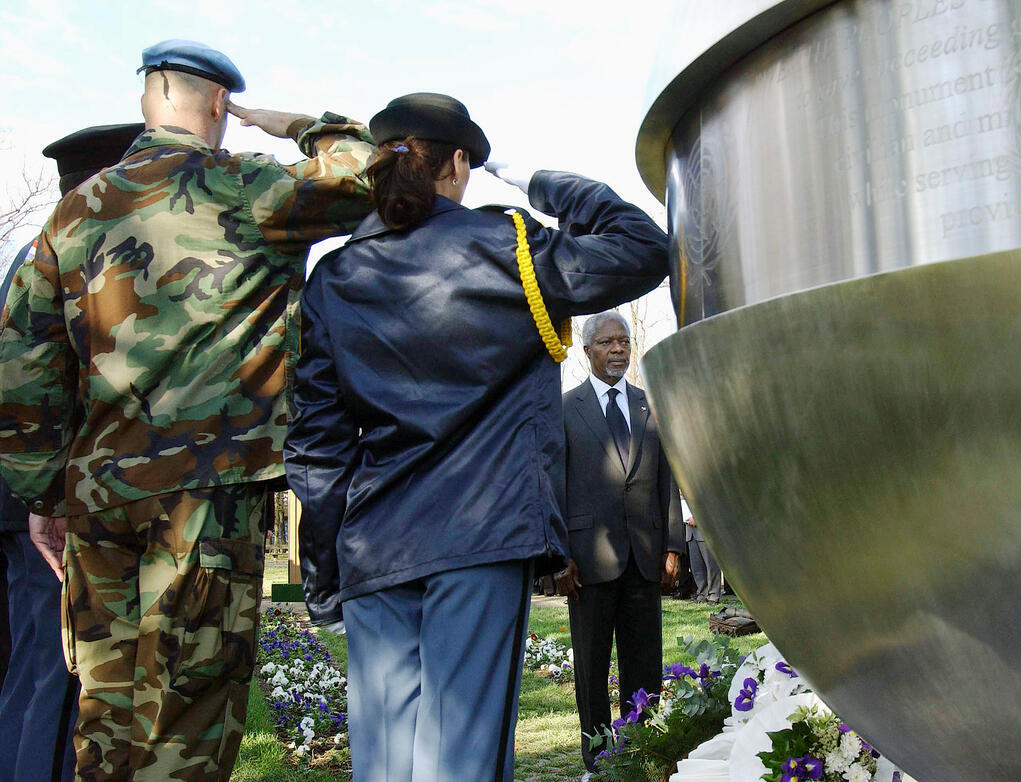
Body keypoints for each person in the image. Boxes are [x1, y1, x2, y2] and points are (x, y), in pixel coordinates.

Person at [0, 39, 375, 781]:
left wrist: (43, 491)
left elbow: (23, 363)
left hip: (98, 499)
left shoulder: (73, 213)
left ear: (148, 98)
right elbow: (366, 168)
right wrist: (294, 124)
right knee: (189, 713)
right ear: (219, 102)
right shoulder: (247, 186)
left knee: (106, 715)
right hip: (207, 495)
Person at [284, 92, 670, 782]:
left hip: (374, 545)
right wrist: (538, 181)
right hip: (479, 534)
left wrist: (323, 578)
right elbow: (643, 246)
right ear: (459, 163)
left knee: (385, 769)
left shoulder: (335, 278)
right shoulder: (509, 249)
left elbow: (318, 448)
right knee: (459, 764)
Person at [0, 122, 144, 782]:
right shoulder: (80, 258)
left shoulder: (35, 252)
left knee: (33, 669)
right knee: (62, 676)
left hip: (28, 496)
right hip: (52, 504)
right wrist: (49, 496)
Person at [556, 310, 685, 778]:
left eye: (624, 341)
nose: (618, 349)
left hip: (645, 558)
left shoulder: (651, 406)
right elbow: (552, 485)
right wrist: (558, 557)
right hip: (587, 562)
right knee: (592, 667)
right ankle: (599, 760)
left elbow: (668, 478)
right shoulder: (564, 410)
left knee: (645, 663)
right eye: (608, 342)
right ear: (587, 349)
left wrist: (674, 546)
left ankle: (642, 750)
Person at [683, 494, 722, 604]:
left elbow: (709, 502)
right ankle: (702, 593)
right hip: (689, 530)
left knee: (711, 565)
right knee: (696, 566)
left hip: (704, 530)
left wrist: (697, 518)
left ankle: (714, 595)